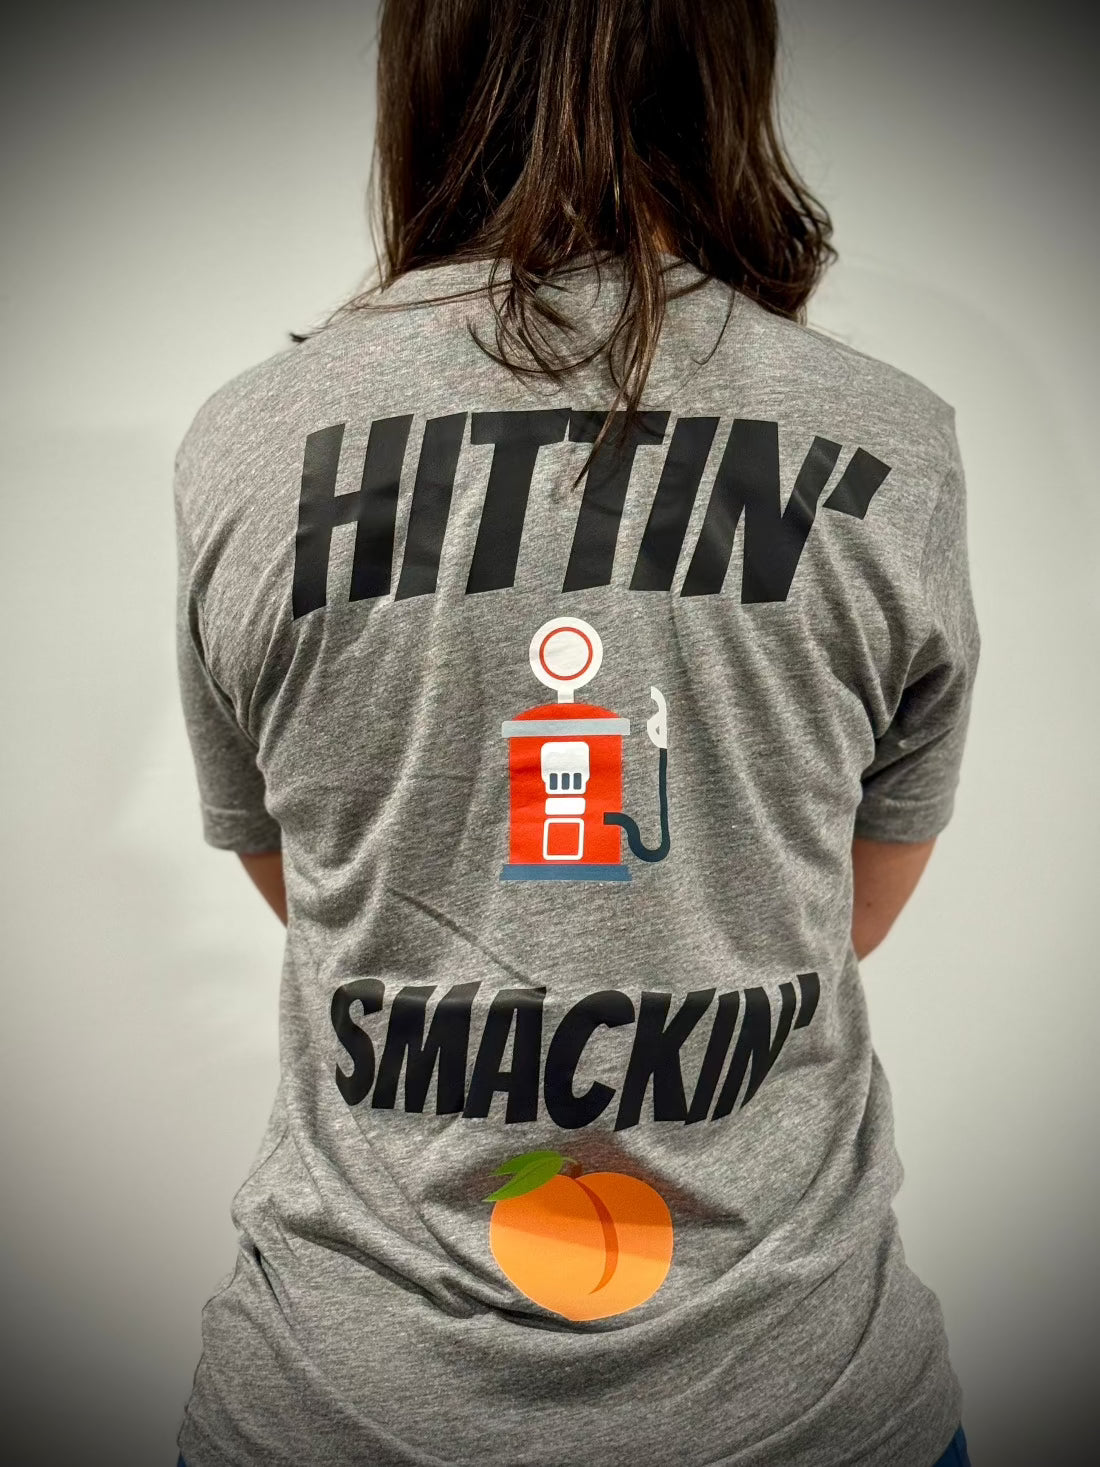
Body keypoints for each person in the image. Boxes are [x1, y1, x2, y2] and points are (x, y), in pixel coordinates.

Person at [172, 2, 981, 1464]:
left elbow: (325, 888)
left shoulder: (246, 440)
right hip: (806, 1402)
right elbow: (839, 910)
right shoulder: (892, 441)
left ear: (425, 70)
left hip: (340, 1402)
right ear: (727, 69)